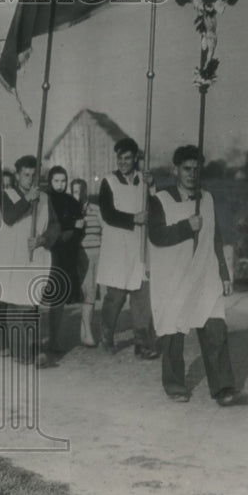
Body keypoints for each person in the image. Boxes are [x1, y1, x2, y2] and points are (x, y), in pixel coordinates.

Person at [148, 145, 248, 406]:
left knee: (215, 328)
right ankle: (175, 385)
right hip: (172, 276)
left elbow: (214, 237)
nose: (192, 174)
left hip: (204, 274)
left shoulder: (208, 198)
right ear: (175, 170)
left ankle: (224, 389)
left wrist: (224, 273)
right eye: (186, 169)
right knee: (173, 331)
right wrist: (185, 227)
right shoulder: (160, 200)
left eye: (196, 169)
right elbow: (156, 235)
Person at [0, 155, 60, 365]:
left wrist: (43, 239)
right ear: (18, 175)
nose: (30, 179)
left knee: (31, 302)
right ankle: (21, 352)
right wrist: (27, 199)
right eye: (26, 175)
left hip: (35, 254)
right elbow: (10, 217)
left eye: (33, 175)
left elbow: (55, 225)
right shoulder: (6, 195)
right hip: (13, 257)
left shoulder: (45, 198)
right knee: (16, 303)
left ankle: (33, 347)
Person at [97, 138, 159, 359]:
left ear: (135, 158)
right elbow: (107, 213)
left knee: (142, 297)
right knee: (115, 296)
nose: (123, 162)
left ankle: (142, 344)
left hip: (140, 245)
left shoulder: (144, 181)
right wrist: (134, 218)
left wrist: (151, 187)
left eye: (128, 158)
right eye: (120, 158)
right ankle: (106, 335)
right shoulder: (109, 181)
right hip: (117, 246)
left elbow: (155, 208)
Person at [45, 166, 86, 353]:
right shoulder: (45, 200)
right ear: (50, 181)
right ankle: (34, 338)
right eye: (56, 181)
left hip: (64, 256)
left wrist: (74, 231)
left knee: (58, 299)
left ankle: (54, 339)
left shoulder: (71, 201)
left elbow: (79, 228)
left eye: (63, 181)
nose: (60, 185)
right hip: (47, 252)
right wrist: (68, 230)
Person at [70, 178, 101, 347]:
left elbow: (104, 229)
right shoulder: (70, 211)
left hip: (98, 254)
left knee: (92, 294)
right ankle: (87, 332)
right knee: (87, 293)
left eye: (81, 191)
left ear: (86, 191)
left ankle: (84, 331)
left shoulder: (96, 209)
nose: (78, 195)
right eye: (74, 191)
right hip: (81, 255)